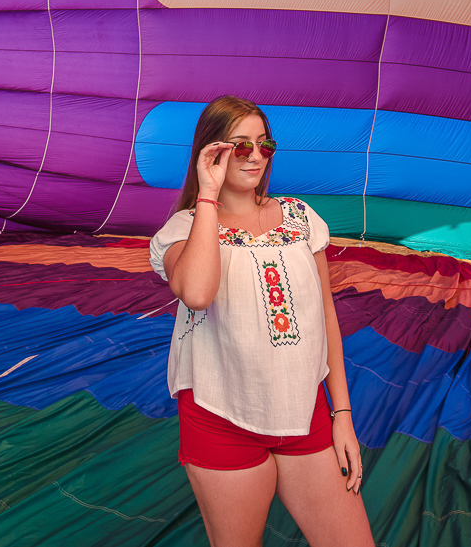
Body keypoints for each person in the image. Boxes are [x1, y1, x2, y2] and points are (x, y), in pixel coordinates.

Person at [149, 95, 374, 547]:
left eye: (263, 144)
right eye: (240, 145)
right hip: (221, 418)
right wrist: (208, 195)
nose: (255, 155)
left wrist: (342, 414)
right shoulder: (183, 229)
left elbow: (325, 314)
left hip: (301, 410)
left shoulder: (300, 217)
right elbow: (196, 293)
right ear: (211, 152)